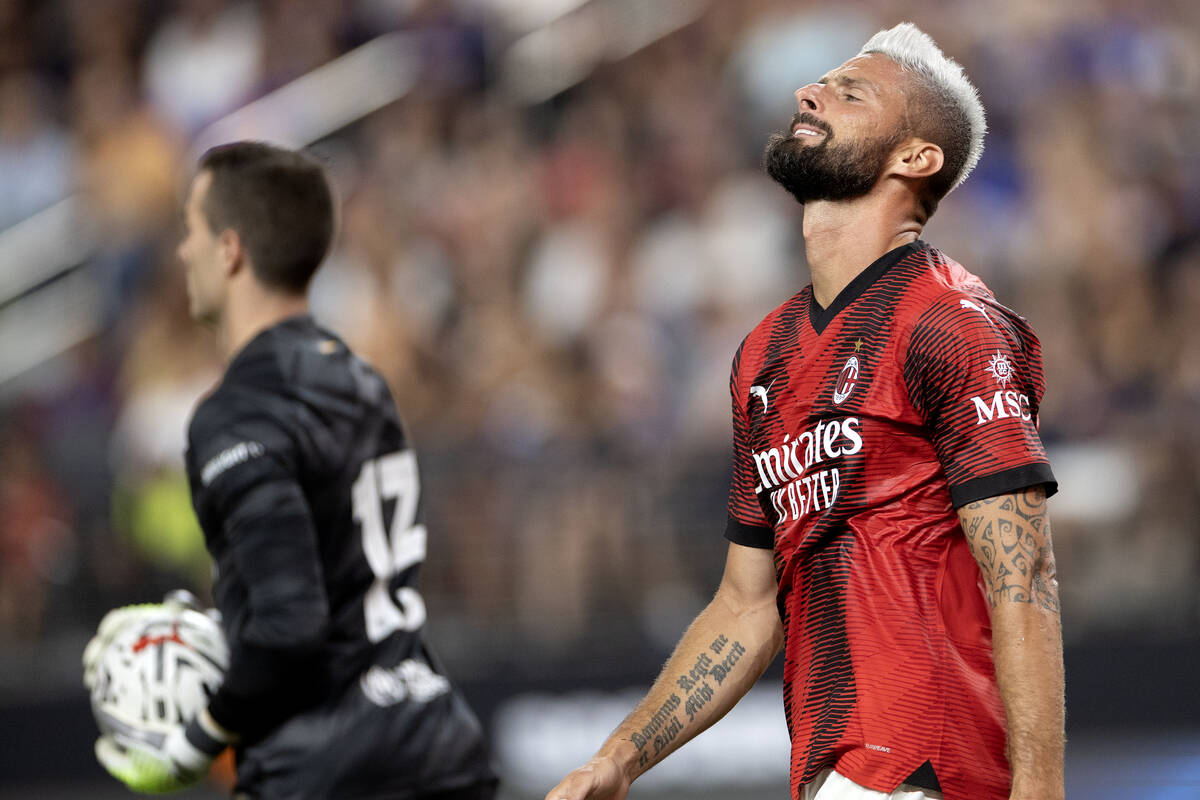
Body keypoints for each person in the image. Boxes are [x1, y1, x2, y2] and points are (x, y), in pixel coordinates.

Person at [546, 22, 1063, 800]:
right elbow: (746, 607)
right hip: (834, 775)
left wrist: (1041, 787)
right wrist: (617, 759)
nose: (808, 92)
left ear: (913, 158)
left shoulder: (950, 323)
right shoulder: (766, 354)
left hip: (932, 772)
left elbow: (1022, 570)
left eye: (850, 92)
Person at [95, 141, 498, 799]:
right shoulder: (363, 380)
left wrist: (193, 740)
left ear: (230, 251)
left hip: (327, 767)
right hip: (437, 742)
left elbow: (289, 627)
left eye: (190, 230)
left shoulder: (239, 411)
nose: (180, 252)